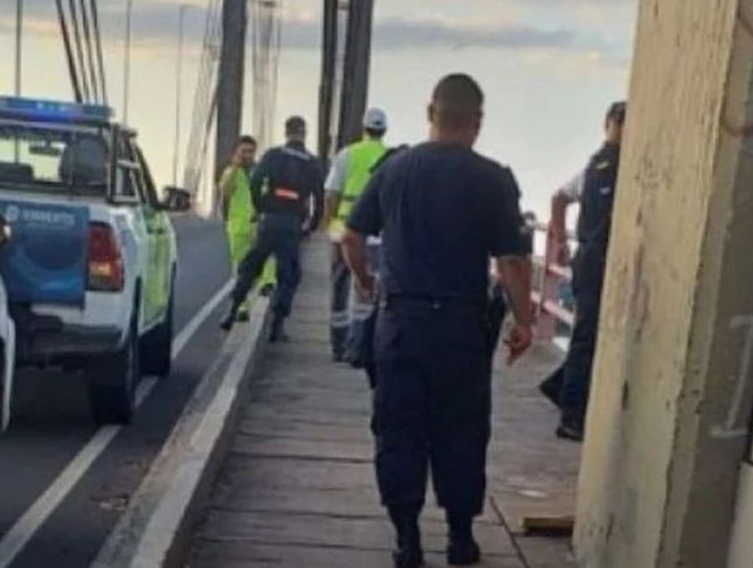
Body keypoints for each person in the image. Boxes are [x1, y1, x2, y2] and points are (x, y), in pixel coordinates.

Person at [342, 74, 536, 568]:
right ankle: (460, 537)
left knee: (398, 427)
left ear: (431, 112)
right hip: (461, 328)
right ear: (477, 121)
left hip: (401, 322)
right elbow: (512, 261)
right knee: (462, 429)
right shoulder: (493, 178)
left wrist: (366, 280)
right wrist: (524, 320)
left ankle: (407, 540)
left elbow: (351, 237)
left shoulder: (394, 169)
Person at [541, 100, 625, 442]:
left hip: (597, 259)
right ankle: (572, 414)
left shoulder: (599, 166)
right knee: (587, 338)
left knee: (593, 336)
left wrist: (560, 239)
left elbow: (559, 197)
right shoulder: (605, 166)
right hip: (596, 259)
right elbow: (559, 198)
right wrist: (560, 239)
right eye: (619, 121)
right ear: (608, 124)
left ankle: (562, 388)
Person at [220, 116, 323, 342]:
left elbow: (256, 181)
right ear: (304, 133)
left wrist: (262, 207)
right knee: (289, 275)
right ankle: (277, 327)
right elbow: (319, 198)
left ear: (286, 132)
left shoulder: (273, 155)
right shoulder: (312, 162)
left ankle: (232, 311)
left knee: (250, 265)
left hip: (270, 221)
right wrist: (311, 227)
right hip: (292, 223)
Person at [320, 107, 390, 361]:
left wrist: (327, 223)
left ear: (364, 128)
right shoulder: (389, 158)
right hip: (375, 234)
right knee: (367, 289)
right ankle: (360, 346)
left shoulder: (347, 154)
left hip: (342, 229)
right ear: (384, 130)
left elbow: (331, 193)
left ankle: (338, 346)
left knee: (339, 286)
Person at [219, 135, 277, 321]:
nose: (247, 155)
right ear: (236, 152)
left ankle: (267, 283)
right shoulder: (230, 173)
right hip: (238, 227)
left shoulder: (261, 172)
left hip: (258, 223)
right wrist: (235, 168)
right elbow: (225, 192)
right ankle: (243, 307)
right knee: (241, 270)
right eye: (244, 151)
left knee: (268, 256)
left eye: (251, 151)